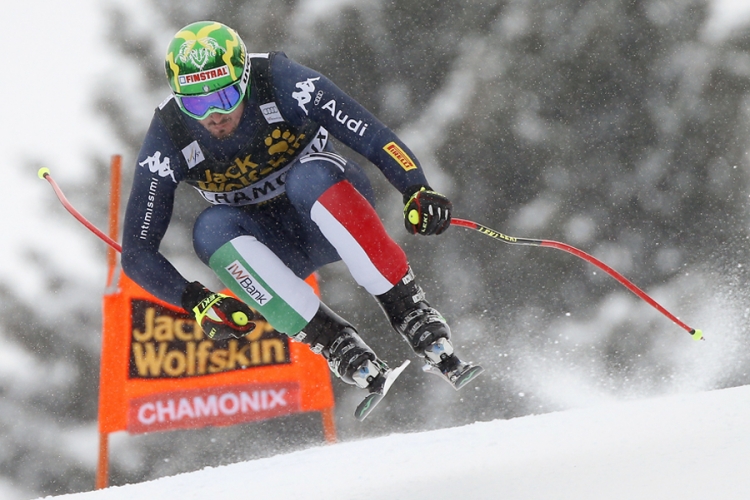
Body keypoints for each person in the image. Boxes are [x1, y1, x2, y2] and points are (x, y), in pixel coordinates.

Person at [121, 20, 482, 404]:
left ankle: (410, 310)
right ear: (178, 99)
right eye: (195, 103)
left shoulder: (281, 81)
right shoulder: (169, 132)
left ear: (244, 78)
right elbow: (137, 252)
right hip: (276, 248)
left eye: (225, 97)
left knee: (306, 178)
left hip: (330, 213)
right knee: (211, 230)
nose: (213, 115)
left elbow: (372, 136)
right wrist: (195, 300)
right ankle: (333, 342)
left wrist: (416, 187)